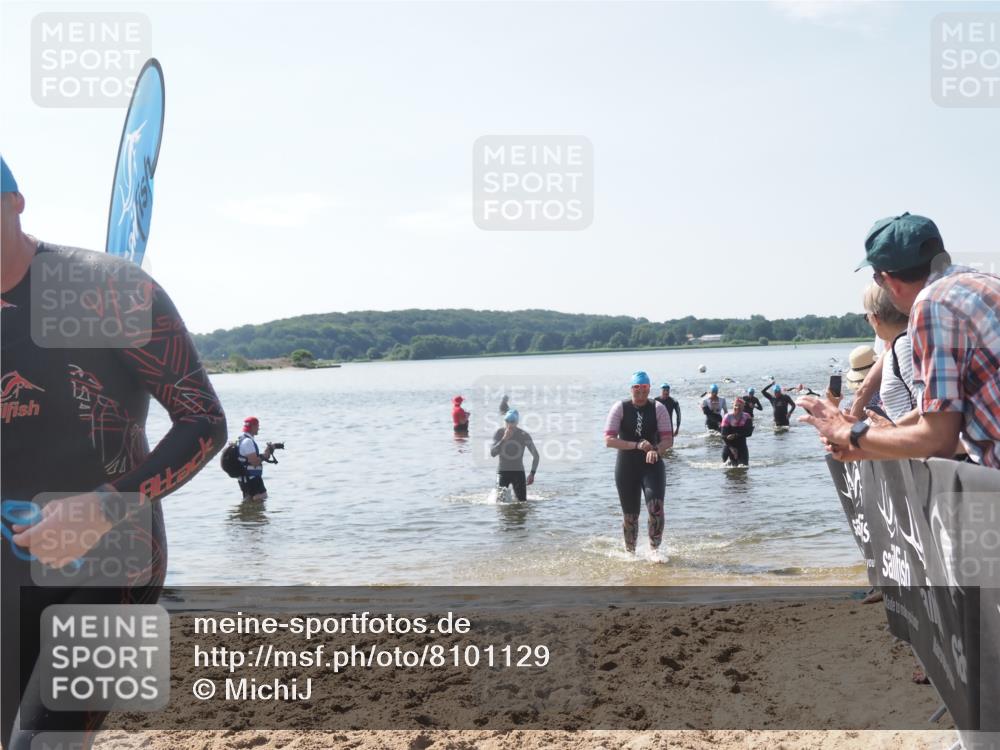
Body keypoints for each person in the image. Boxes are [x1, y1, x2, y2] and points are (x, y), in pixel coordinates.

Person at [0, 156, 227, 748]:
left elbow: (203, 422)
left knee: (42, 745)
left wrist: (103, 507)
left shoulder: (105, 288)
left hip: (113, 561)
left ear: (16, 201)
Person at [801, 212, 1000, 468]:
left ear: (890, 280)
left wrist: (848, 432)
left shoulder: (931, 305)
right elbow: (966, 421)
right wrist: (869, 447)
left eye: (876, 279)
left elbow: (939, 440)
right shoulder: (986, 283)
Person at [604, 371, 673, 555]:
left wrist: (656, 450)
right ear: (631, 389)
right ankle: (630, 553)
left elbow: (668, 440)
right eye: (637, 391)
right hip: (626, 468)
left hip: (652, 467)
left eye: (645, 391)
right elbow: (609, 440)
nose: (641, 395)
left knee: (655, 508)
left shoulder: (658, 408)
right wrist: (637, 445)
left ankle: (655, 550)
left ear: (649, 389)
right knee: (630, 516)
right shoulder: (620, 408)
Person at [862, 283, 915, 422]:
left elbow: (931, 407)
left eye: (866, 317)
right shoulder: (901, 343)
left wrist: (891, 430)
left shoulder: (904, 345)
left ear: (876, 318)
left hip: (913, 441)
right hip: (907, 439)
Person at [490, 409, 539, 502]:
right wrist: (504, 439)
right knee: (500, 503)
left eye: (512, 421)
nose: (509, 424)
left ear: (517, 422)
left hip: (518, 473)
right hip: (502, 473)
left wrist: (532, 474)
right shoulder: (499, 433)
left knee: (522, 503)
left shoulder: (523, 435)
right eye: (507, 421)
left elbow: (536, 456)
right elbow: (493, 453)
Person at [237, 416, 275, 501]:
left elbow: (249, 459)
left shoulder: (241, 439)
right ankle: (254, 513)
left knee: (249, 500)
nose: (259, 428)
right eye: (258, 426)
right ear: (253, 427)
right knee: (262, 497)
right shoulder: (248, 442)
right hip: (252, 478)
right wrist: (265, 454)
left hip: (244, 478)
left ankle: (250, 513)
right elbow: (254, 462)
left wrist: (265, 454)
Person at [721, 398, 753, 465]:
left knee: (744, 467)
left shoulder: (747, 417)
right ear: (733, 406)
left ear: (743, 407)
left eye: (739, 406)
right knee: (728, 468)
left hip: (741, 444)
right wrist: (731, 448)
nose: (737, 407)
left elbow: (749, 432)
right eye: (736, 405)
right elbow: (723, 435)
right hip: (729, 444)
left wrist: (735, 435)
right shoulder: (727, 417)